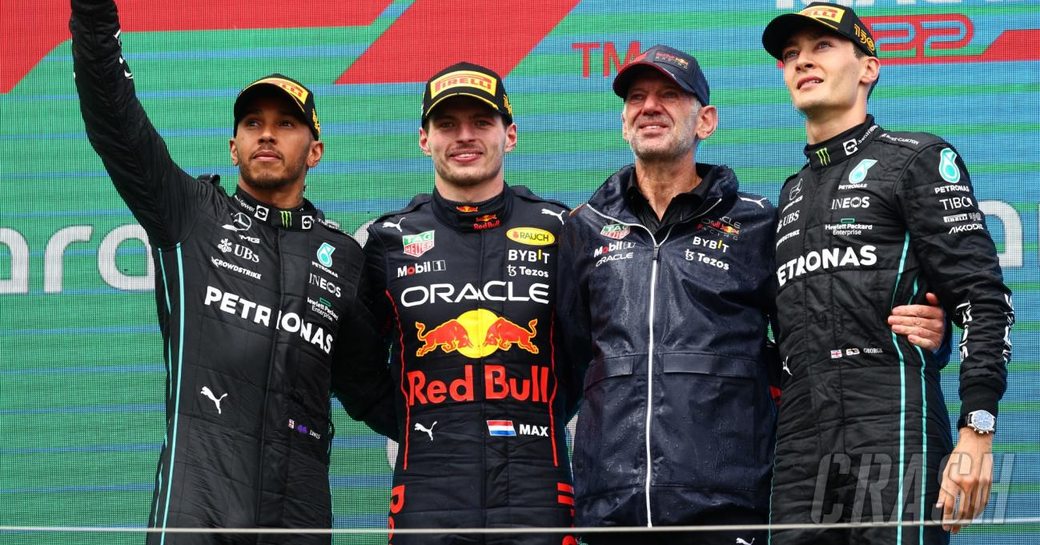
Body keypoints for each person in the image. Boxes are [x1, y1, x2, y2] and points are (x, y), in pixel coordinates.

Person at [556, 44, 950, 545]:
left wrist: (931, 340)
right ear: (623, 121)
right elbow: (565, 364)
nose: (649, 106)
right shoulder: (586, 227)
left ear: (706, 121)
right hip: (610, 507)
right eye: (636, 96)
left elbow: (817, 335)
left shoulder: (758, 222)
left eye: (670, 95)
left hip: (729, 505)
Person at [70, 0, 389, 543]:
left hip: (301, 513)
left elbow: (370, 390)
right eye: (252, 123)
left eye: (285, 124)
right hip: (198, 506)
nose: (267, 135)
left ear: (314, 151)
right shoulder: (189, 212)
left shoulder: (344, 258)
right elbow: (114, 121)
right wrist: (95, 17)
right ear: (233, 146)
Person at [761, 3, 1015, 544]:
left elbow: (983, 298)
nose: (803, 61)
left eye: (822, 47)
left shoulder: (916, 158)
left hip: (893, 424)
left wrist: (977, 431)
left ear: (869, 67)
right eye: (790, 55)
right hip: (802, 443)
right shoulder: (789, 195)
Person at [359, 62, 578, 545]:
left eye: (481, 123)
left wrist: (540, 413)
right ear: (424, 139)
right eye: (447, 125)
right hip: (429, 485)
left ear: (510, 134)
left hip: (537, 482)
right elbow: (356, 368)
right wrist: (419, 421)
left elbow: (588, 354)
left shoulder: (561, 230)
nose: (465, 137)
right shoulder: (387, 240)